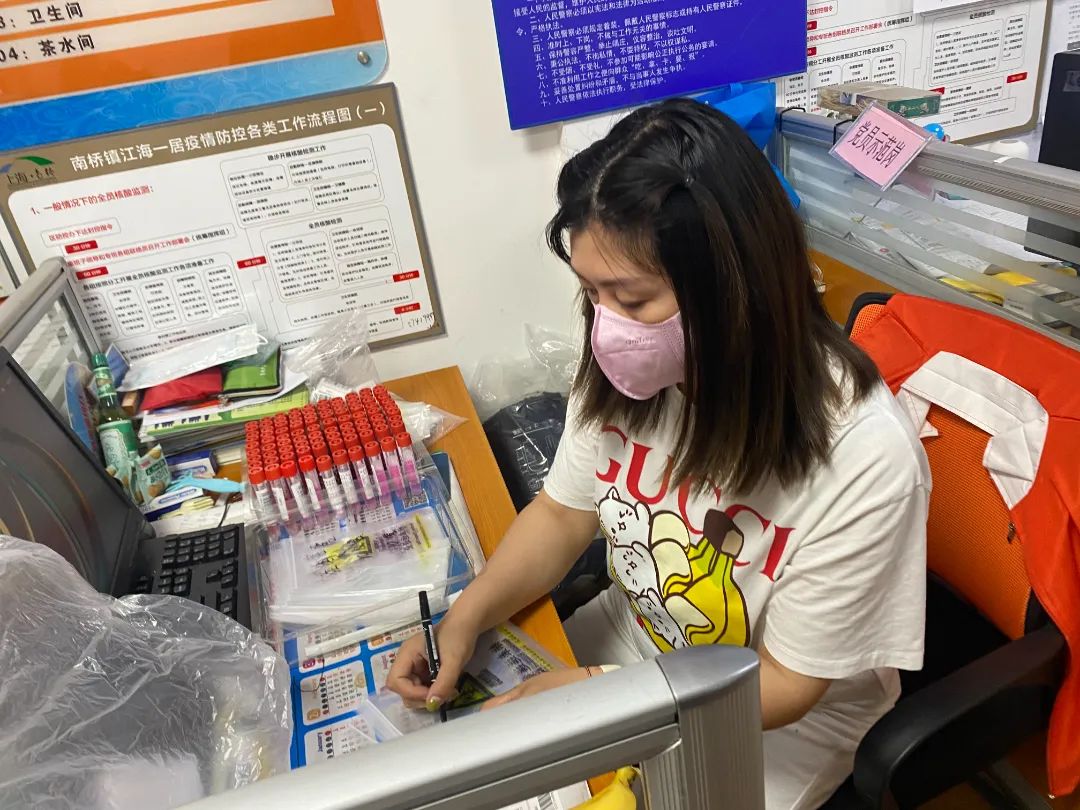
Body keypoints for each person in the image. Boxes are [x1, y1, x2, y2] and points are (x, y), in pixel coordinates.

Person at [387, 98, 930, 809]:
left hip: (761, 718)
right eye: (591, 293)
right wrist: (463, 620)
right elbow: (560, 516)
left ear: (735, 288)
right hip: (634, 647)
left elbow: (790, 685)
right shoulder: (632, 375)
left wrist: (596, 700)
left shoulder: (863, 454)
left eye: (633, 300)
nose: (607, 327)